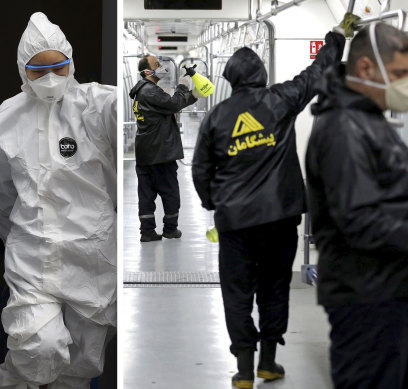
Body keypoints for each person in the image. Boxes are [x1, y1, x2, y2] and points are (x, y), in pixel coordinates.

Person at [192, 29, 345, 388]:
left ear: (230, 79)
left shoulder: (216, 117)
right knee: (275, 288)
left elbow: (201, 169)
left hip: (235, 224)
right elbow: (317, 72)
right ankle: (269, 363)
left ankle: (244, 371)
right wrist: (337, 39)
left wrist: (213, 201)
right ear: (261, 74)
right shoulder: (282, 99)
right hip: (279, 217)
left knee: (237, 292)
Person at [0, 12, 116, 389]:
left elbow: (124, 112)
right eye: (36, 71)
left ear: (71, 63)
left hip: (91, 257)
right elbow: (1, 192)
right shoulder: (7, 117)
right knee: (35, 347)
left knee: (81, 363)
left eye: (58, 68)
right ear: (21, 71)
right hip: (33, 259)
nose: (49, 79)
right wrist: (15, 238)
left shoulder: (95, 104)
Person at [305, 23, 408, 389]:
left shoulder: (366, 117)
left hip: (383, 287)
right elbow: (361, 219)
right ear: (366, 68)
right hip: (366, 294)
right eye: (399, 74)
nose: (404, 84)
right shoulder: (344, 128)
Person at [129, 55, 199, 242]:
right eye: (156, 65)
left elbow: (168, 107)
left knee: (146, 194)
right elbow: (173, 104)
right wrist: (184, 86)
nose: (161, 67)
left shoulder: (142, 91)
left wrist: (192, 97)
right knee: (170, 193)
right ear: (146, 72)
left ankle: (147, 231)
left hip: (145, 151)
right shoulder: (150, 91)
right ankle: (170, 229)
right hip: (160, 152)